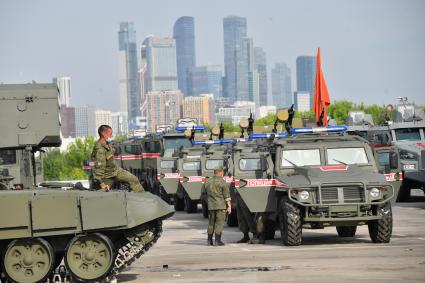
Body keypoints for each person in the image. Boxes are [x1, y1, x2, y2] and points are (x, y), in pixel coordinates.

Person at [91, 125, 145, 192]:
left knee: (134, 179)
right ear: (103, 134)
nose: (111, 136)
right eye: (110, 134)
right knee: (103, 193)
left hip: (116, 171)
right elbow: (99, 169)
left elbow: (111, 153)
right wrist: (102, 184)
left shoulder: (107, 144)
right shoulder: (100, 150)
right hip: (107, 175)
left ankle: (143, 197)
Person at [201, 166, 231, 246]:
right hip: (221, 206)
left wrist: (208, 201)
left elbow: (203, 193)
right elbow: (227, 196)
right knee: (219, 223)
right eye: (223, 172)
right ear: (220, 172)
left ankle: (209, 240)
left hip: (211, 206)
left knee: (211, 223)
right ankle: (217, 241)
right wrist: (229, 206)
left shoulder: (207, 181)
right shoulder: (222, 182)